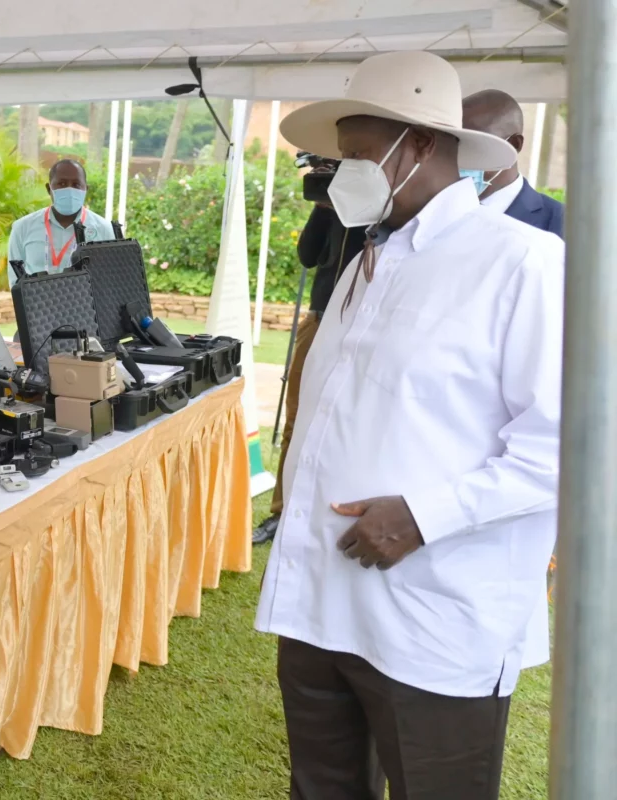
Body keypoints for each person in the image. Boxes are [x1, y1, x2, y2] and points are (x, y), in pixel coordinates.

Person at [257, 51, 563, 800]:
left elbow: (566, 448)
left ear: (420, 144)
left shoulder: (522, 262)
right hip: (319, 604)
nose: (344, 175)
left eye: (359, 155)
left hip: (433, 620)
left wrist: (424, 516)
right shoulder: (367, 261)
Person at [254, 176, 368, 545]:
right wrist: (324, 206)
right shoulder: (331, 206)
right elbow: (307, 254)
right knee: (297, 417)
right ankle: (281, 512)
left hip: (363, 326)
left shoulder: (380, 205)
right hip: (319, 320)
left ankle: (333, 507)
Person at [461, 89, 565, 238]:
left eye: (474, 144)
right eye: (455, 144)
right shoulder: (438, 213)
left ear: (514, 144)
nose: (460, 157)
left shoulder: (562, 225)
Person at [7, 159, 115, 287]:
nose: (69, 189)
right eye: (62, 183)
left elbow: (111, 278)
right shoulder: (22, 228)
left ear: (86, 189)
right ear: (49, 189)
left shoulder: (104, 230)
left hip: (84, 300)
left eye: (76, 184)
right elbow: (15, 281)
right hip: (36, 299)